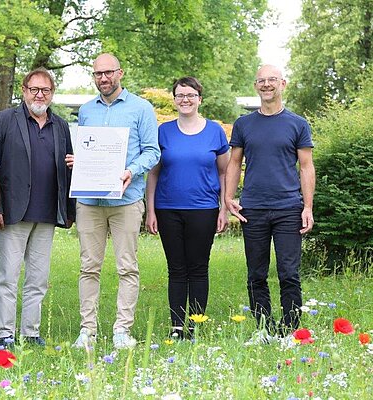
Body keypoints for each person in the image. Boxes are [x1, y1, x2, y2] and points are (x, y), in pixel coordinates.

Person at [66, 53, 160, 350]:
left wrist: (131, 171)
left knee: (127, 267)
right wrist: (77, 162)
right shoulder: (85, 111)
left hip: (127, 200)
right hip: (90, 202)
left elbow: (152, 151)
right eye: (97, 74)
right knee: (88, 267)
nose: (103, 79)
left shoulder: (141, 108)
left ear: (120, 73)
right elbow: (87, 151)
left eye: (108, 73)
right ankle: (87, 331)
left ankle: (122, 330)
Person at [224, 65, 316, 345]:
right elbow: (234, 163)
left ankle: (290, 332)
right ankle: (263, 329)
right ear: (256, 86)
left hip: (289, 208)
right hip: (253, 209)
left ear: (283, 84)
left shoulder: (298, 124)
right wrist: (228, 198)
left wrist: (307, 207)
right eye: (261, 81)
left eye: (272, 80)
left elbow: (306, 167)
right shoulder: (243, 124)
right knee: (256, 273)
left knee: (289, 273)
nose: (266, 85)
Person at [0, 68, 75, 348]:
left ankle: (30, 332)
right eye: (34, 89)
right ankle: (4, 334)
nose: (40, 95)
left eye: (46, 90)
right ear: (23, 90)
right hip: (12, 213)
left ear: (52, 94)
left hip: (47, 213)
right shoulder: (2, 121)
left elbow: (69, 168)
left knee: (38, 279)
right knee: (8, 277)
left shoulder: (60, 125)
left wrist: (69, 210)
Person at [145, 77, 229, 340]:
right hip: (168, 209)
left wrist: (224, 208)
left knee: (199, 268)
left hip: (204, 209)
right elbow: (153, 174)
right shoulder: (163, 132)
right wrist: (150, 210)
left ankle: (195, 325)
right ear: (174, 99)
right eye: (180, 95)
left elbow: (225, 172)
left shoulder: (214, 131)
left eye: (190, 95)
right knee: (177, 269)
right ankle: (177, 326)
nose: (185, 99)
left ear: (199, 99)